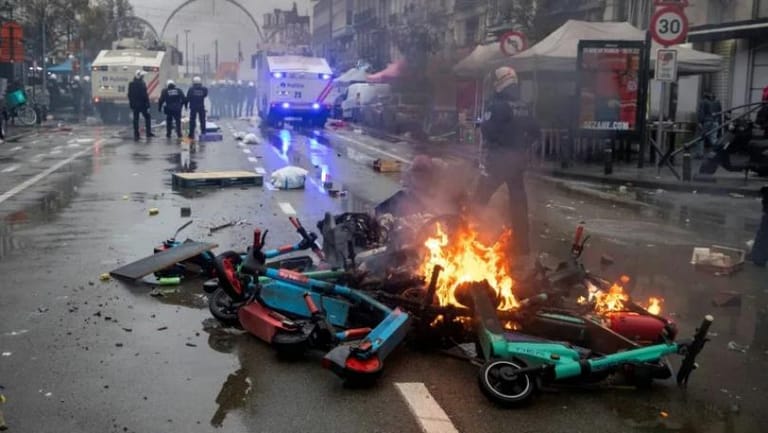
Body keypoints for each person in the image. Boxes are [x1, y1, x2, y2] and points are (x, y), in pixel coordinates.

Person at [474, 66, 539, 257]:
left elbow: (489, 131)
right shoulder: (523, 105)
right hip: (517, 162)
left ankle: (465, 234)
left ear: (499, 83)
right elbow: (536, 132)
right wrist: (521, 147)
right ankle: (523, 247)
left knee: (479, 199)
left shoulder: (498, 105)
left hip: (498, 160)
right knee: (518, 203)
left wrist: (484, 125)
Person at [128, 69, 154, 140]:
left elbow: (130, 95)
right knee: (147, 117)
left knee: (136, 119)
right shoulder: (142, 84)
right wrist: (148, 105)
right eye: (142, 76)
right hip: (142, 105)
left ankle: (136, 134)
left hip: (135, 105)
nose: (143, 77)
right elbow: (145, 95)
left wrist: (131, 104)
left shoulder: (131, 84)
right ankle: (148, 133)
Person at [696, 93, 716, 158]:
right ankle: (716, 152)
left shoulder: (702, 102)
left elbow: (701, 112)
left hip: (705, 121)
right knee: (712, 139)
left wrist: (699, 122)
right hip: (711, 121)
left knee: (700, 138)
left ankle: (700, 154)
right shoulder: (711, 102)